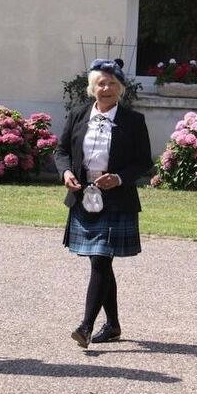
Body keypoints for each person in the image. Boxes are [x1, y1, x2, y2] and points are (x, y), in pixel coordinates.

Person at [54, 58, 152, 348]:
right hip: (84, 197)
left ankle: (86, 326)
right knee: (101, 262)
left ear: (120, 88)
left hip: (116, 200)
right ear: (91, 87)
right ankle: (113, 325)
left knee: (99, 259)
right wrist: (66, 172)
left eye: (112, 83)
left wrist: (120, 178)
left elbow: (143, 162)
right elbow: (60, 150)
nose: (106, 88)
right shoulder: (77, 114)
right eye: (101, 83)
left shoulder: (134, 121)